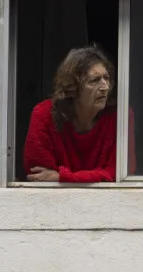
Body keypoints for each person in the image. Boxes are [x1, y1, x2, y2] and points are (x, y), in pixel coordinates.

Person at [23, 45, 119, 184]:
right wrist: (95, 176)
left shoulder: (120, 117)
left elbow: (115, 174)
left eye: (106, 78)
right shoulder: (44, 115)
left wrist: (63, 177)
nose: (105, 87)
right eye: (94, 80)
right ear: (73, 88)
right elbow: (39, 175)